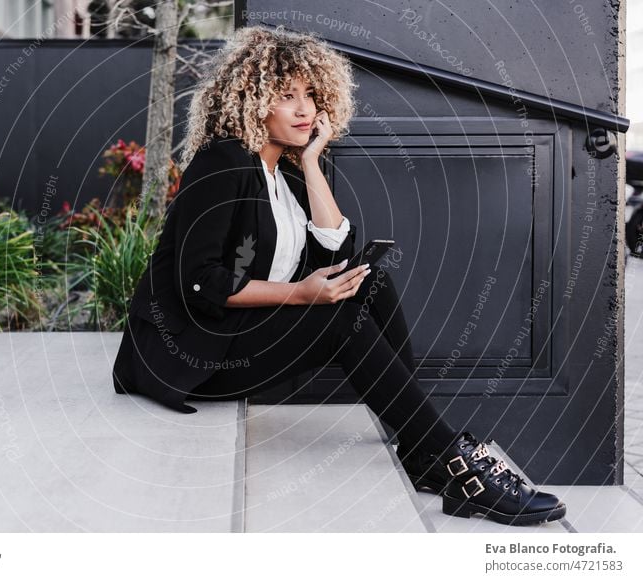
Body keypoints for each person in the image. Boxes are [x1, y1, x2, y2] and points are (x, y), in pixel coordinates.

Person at [112, 24, 565, 526]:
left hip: (238, 335)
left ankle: (422, 453)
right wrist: (300, 293)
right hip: (195, 351)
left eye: (310, 95)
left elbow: (337, 249)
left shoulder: (280, 172)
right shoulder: (222, 163)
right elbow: (200, 282)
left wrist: (310, 163)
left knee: (369, 281)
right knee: (338, 321)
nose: (305, 110)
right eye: (287, 96)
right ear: (252, 100)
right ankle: (454, 463)